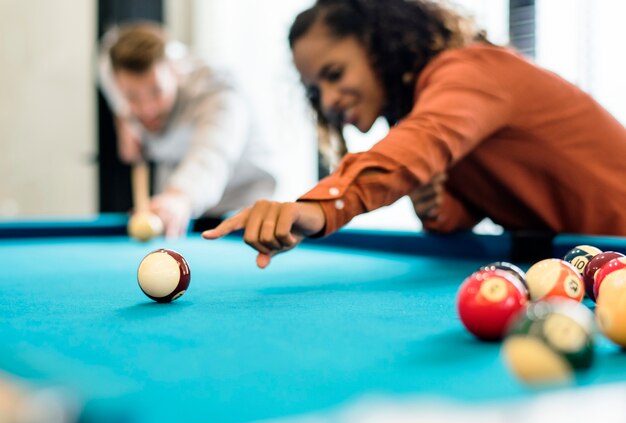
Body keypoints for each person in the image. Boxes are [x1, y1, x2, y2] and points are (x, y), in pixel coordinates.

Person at [202, 0, 626, 268]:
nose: (328, 99)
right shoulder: (426, 108)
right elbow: (473, 205)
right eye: (316, 89)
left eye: (335, 74)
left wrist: (318, 208)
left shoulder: (471, 71)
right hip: (588, 261)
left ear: (377, 43)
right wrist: (439, 210)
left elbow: (416, 146)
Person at [99, 22, 276, 237]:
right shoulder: (111, 70)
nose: (147, 110)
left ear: (175, 72)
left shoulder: (217, 90)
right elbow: (102, 59)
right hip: (176, 203)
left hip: (241, 200)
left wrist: (179, 197)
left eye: (156, 92)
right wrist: (124, 120)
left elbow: (211, 156)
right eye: (132, 97)